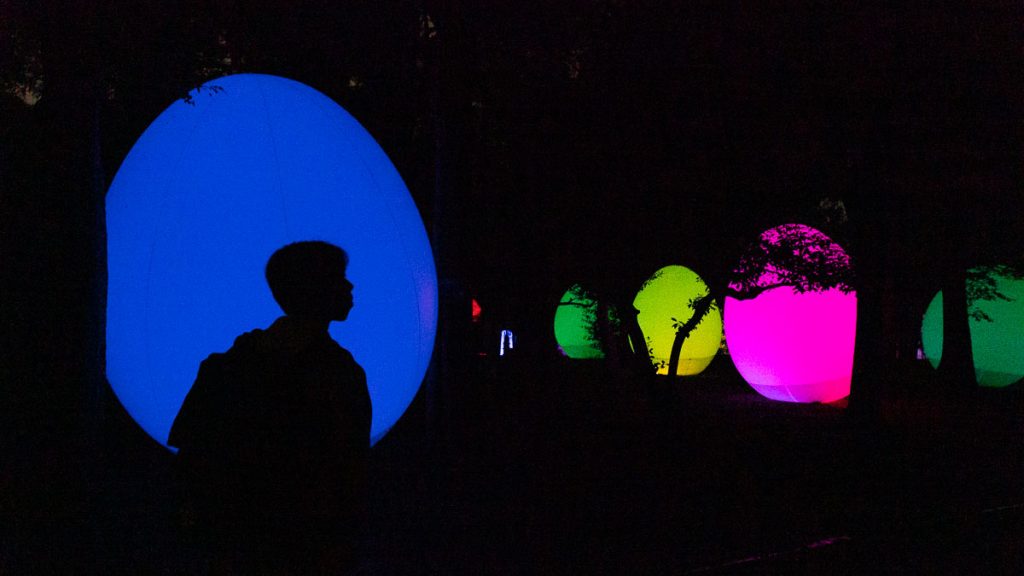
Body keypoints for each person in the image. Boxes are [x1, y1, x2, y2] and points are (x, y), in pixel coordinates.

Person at [169, 241, 371, 575]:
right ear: (313, 288)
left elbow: (193, 455)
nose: (349, 286)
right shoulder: (339, 374)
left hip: (238, 542)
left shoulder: (226, 367)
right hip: (305, 545)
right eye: (338, 277)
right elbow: (348, 470)